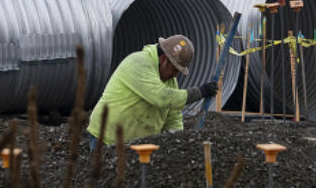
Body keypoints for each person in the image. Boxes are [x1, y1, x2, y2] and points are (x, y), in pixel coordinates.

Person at [86, 35, 218, 148]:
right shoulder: (138, 62)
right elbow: (162, 97)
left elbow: (174, 118)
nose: (175, 75)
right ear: (163, 59)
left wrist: (176, 142)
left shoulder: (170, 82)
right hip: (107, 139)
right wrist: (200, 92)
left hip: (138, 146)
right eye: (175, 69)